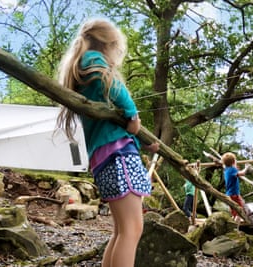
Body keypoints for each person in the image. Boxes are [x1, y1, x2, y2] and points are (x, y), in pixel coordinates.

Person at [56, 18, 159, 267]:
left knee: (122, 230)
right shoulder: (93, 59)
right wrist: (132, 112)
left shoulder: (83, 64)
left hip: (108, 154)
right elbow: (110, 83)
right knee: (132, 229)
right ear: (109, 44)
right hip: (118, 154)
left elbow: (111, 125)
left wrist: (141, 140)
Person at [221, 152, 249, 224]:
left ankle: (231, 226)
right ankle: (235, 228)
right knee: (240, 212)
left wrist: (234, 163)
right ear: (233, 162)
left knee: (234, 212)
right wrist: (246, 168)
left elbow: (229, 166)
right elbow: (242, 173)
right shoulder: (233, 170)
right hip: (234, 194)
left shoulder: (226, 170)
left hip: (229, 194)